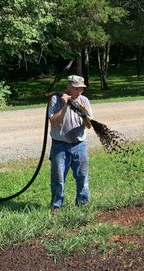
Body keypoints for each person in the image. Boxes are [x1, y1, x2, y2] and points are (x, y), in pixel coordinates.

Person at [48, 75, 93, 213]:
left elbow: (89, 125)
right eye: (76, 88)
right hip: (60, 146)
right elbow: (53, 121)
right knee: (59, 177)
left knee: (82, 176)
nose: (79, 91)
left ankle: (83, 203)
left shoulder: (84, 100)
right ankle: (56, 205)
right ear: (68, 86)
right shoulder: (56, 99)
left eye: (81, 88)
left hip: (79, 145)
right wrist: (65, 105)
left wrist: (84, 115)